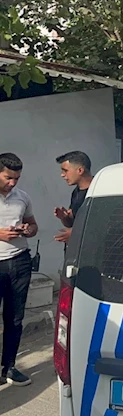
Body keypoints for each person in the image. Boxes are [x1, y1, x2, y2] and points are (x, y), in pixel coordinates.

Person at [0, 153, 38, 386]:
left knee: (15, 318)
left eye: (17, 178)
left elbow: (33, 224)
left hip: (19, 261)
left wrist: (29, 229)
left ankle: (9, 367)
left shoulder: (22, 197)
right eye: (8, 177)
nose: (13, 183)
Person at [54, 151, 93, 244]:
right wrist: (64, 217)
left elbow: (103, 224)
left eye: (65, 171)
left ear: (80, 170)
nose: (62, 175)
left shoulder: (99, 190)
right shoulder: (76, 192)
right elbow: (71, 223)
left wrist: (76, 234)